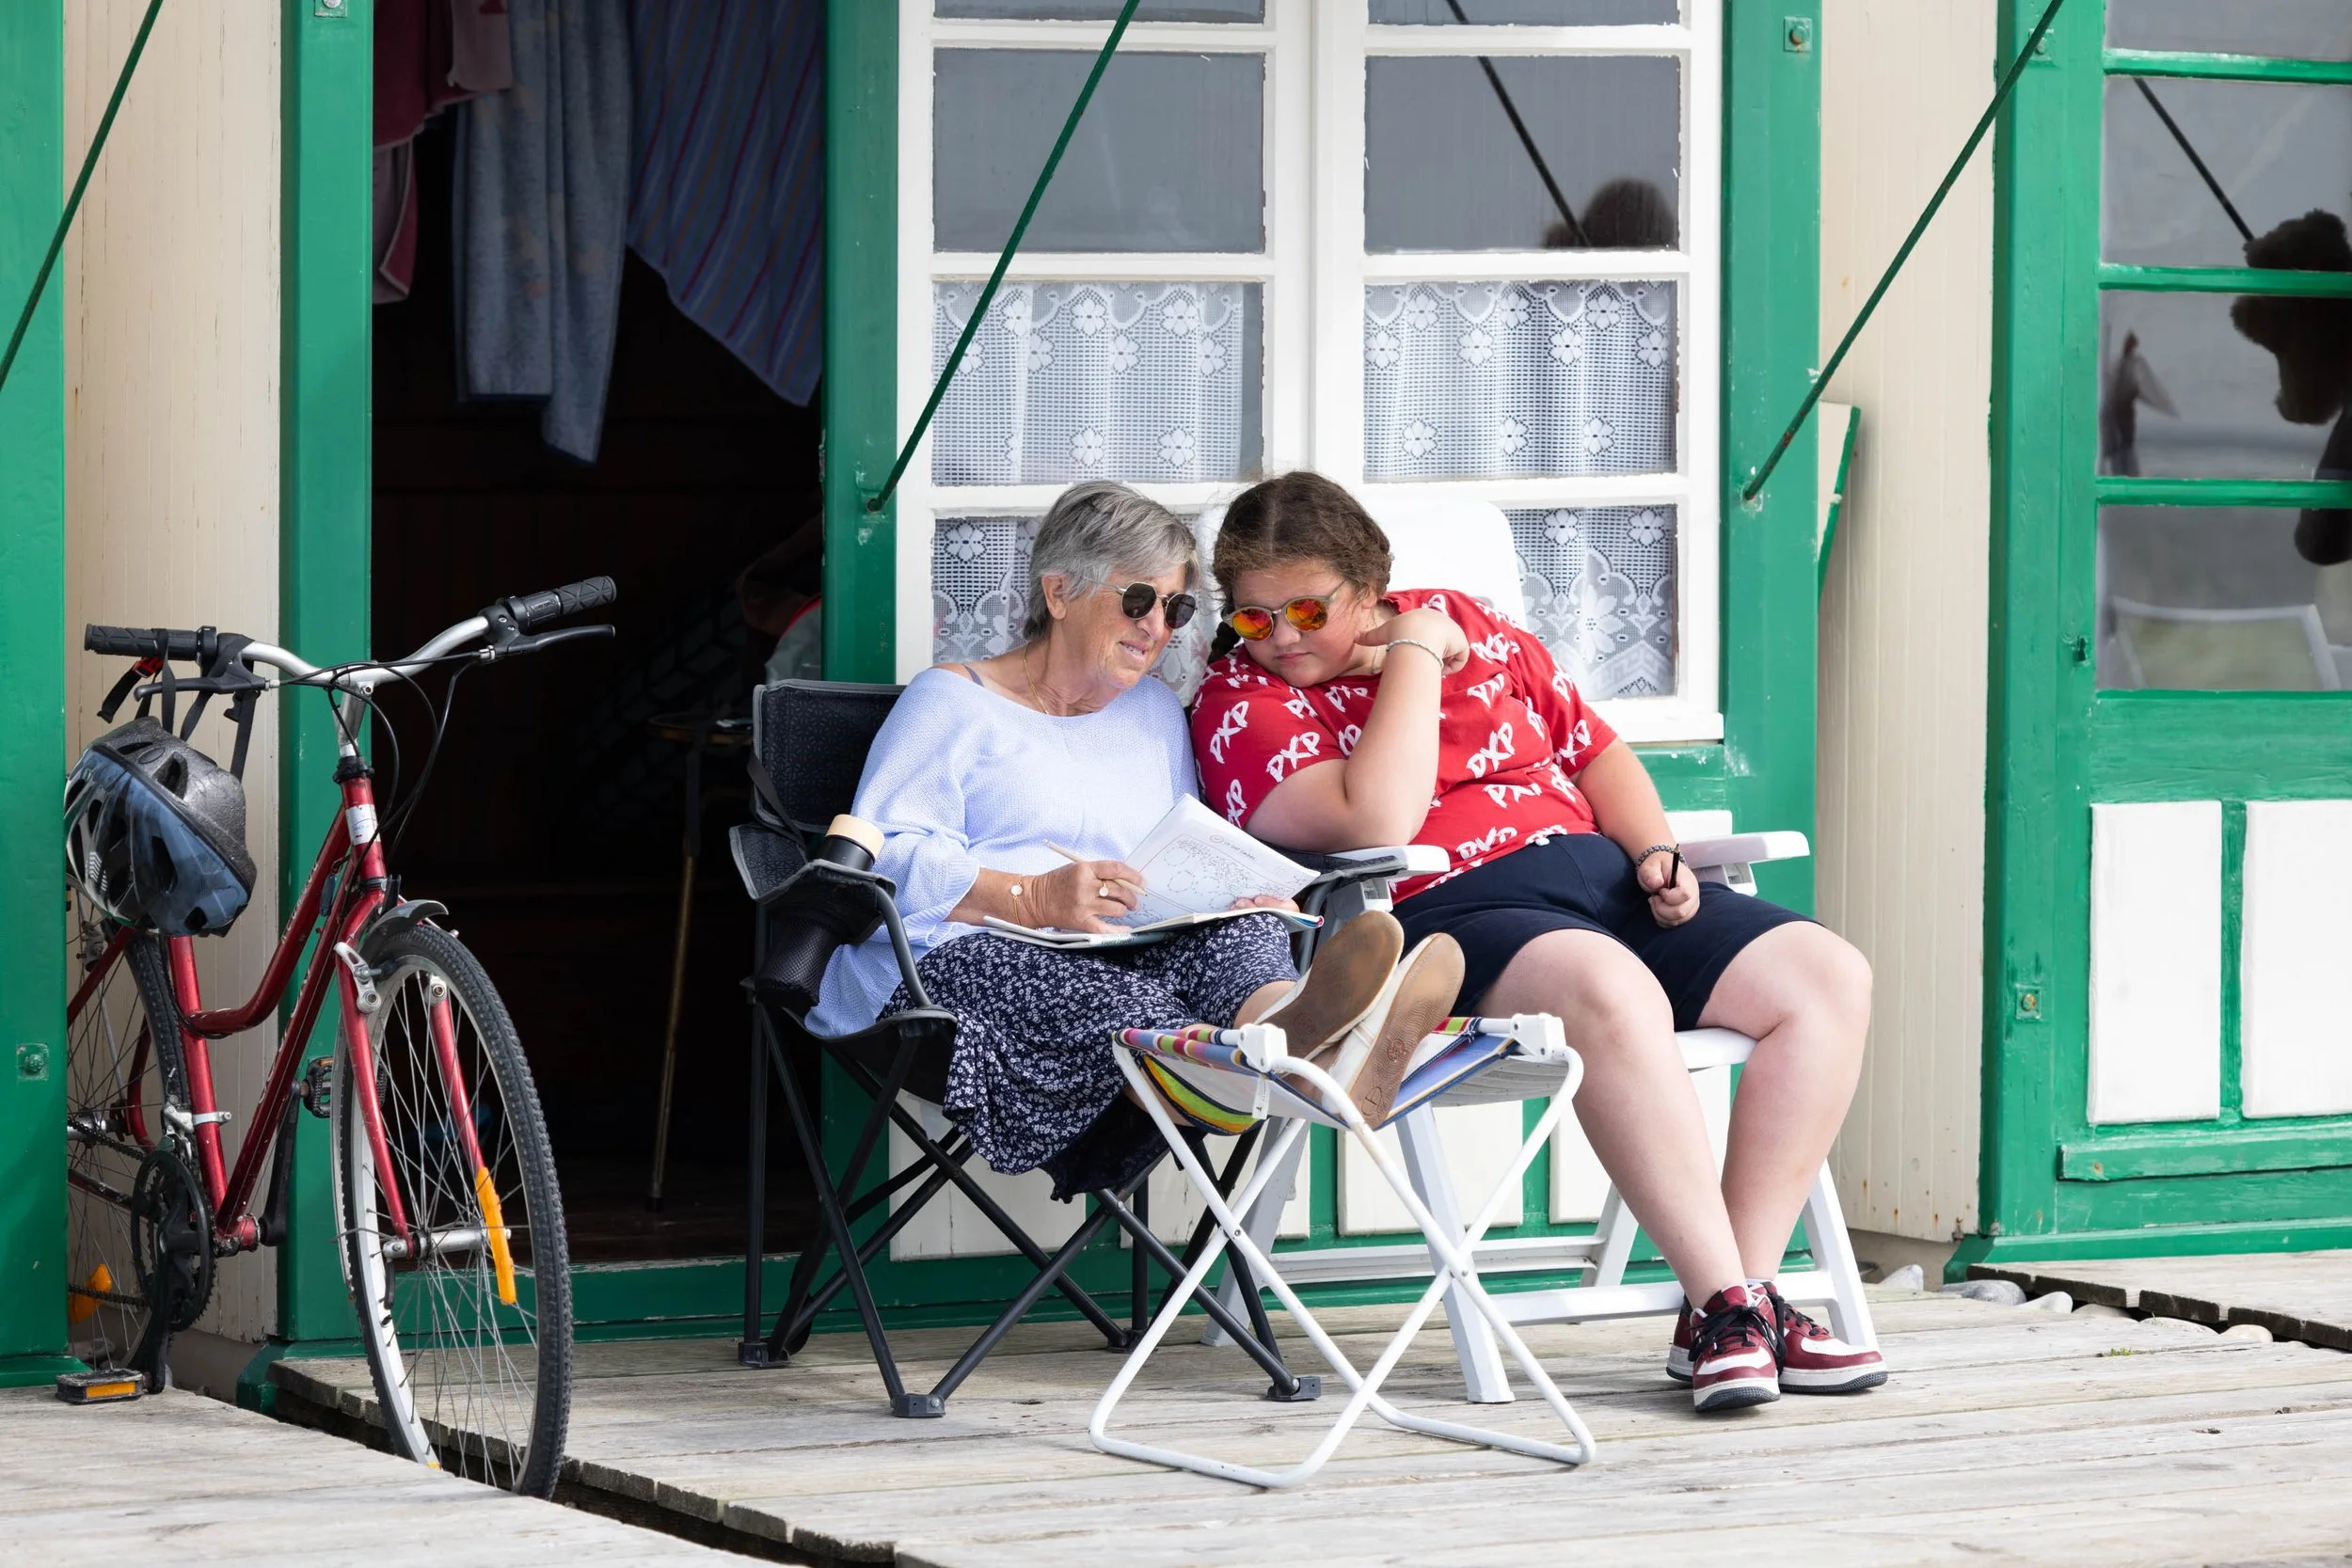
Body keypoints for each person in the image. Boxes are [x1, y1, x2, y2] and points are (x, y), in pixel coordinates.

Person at [1189, 471, 1881, 1413]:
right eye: (1253, 616)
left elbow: (1593, 750)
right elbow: (1376, 812)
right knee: (1609, 987)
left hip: (1597, 880)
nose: (1282, 636)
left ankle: (1733, 1302)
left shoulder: (1474, 622)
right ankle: (1730, 1301)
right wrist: (1416, 655)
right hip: (1445, 914)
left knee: (1826, 977)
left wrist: (1656, 852)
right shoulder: (1240, 701)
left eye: (1307, 607)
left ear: (1370, 583)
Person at [810, 480, 1459, 1204]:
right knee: (1111, 993)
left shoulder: (1151, 711)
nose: (1158, 626)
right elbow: (878, 862)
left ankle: (1286, 1022)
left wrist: (1232, 892)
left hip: (1127, 946)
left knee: (1242, 927)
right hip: (959, 965)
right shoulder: (951, 701)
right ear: (1058, 592)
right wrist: (1031, 898)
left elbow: (1177, 849)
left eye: (1176, 608)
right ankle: (1300, 1066)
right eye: (1138, 599)